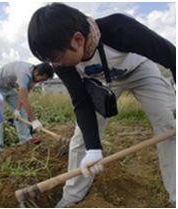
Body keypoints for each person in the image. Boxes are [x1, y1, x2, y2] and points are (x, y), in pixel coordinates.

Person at [28, 3, 176, 207]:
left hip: (140, 70)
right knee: (81, 139)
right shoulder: (62, 63)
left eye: (57, 58)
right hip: (104, 82)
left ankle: (176, 194)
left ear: (78, 40)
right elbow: (81, 103)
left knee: (167, 126)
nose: (57, 64)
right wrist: (94, 148)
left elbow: (172, 56)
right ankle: (71, 196)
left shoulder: (118, 28)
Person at [0, 61, 54, 154]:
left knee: (22, 112)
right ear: (36, 71)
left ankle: (25, 139)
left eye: (43, 80)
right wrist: (34, 120)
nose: (40, 82)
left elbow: (24, 95)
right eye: (41, 79)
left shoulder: (34, 77)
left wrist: (17, 109)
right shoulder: (24, 74)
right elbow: (25, 98)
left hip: (8, 88)